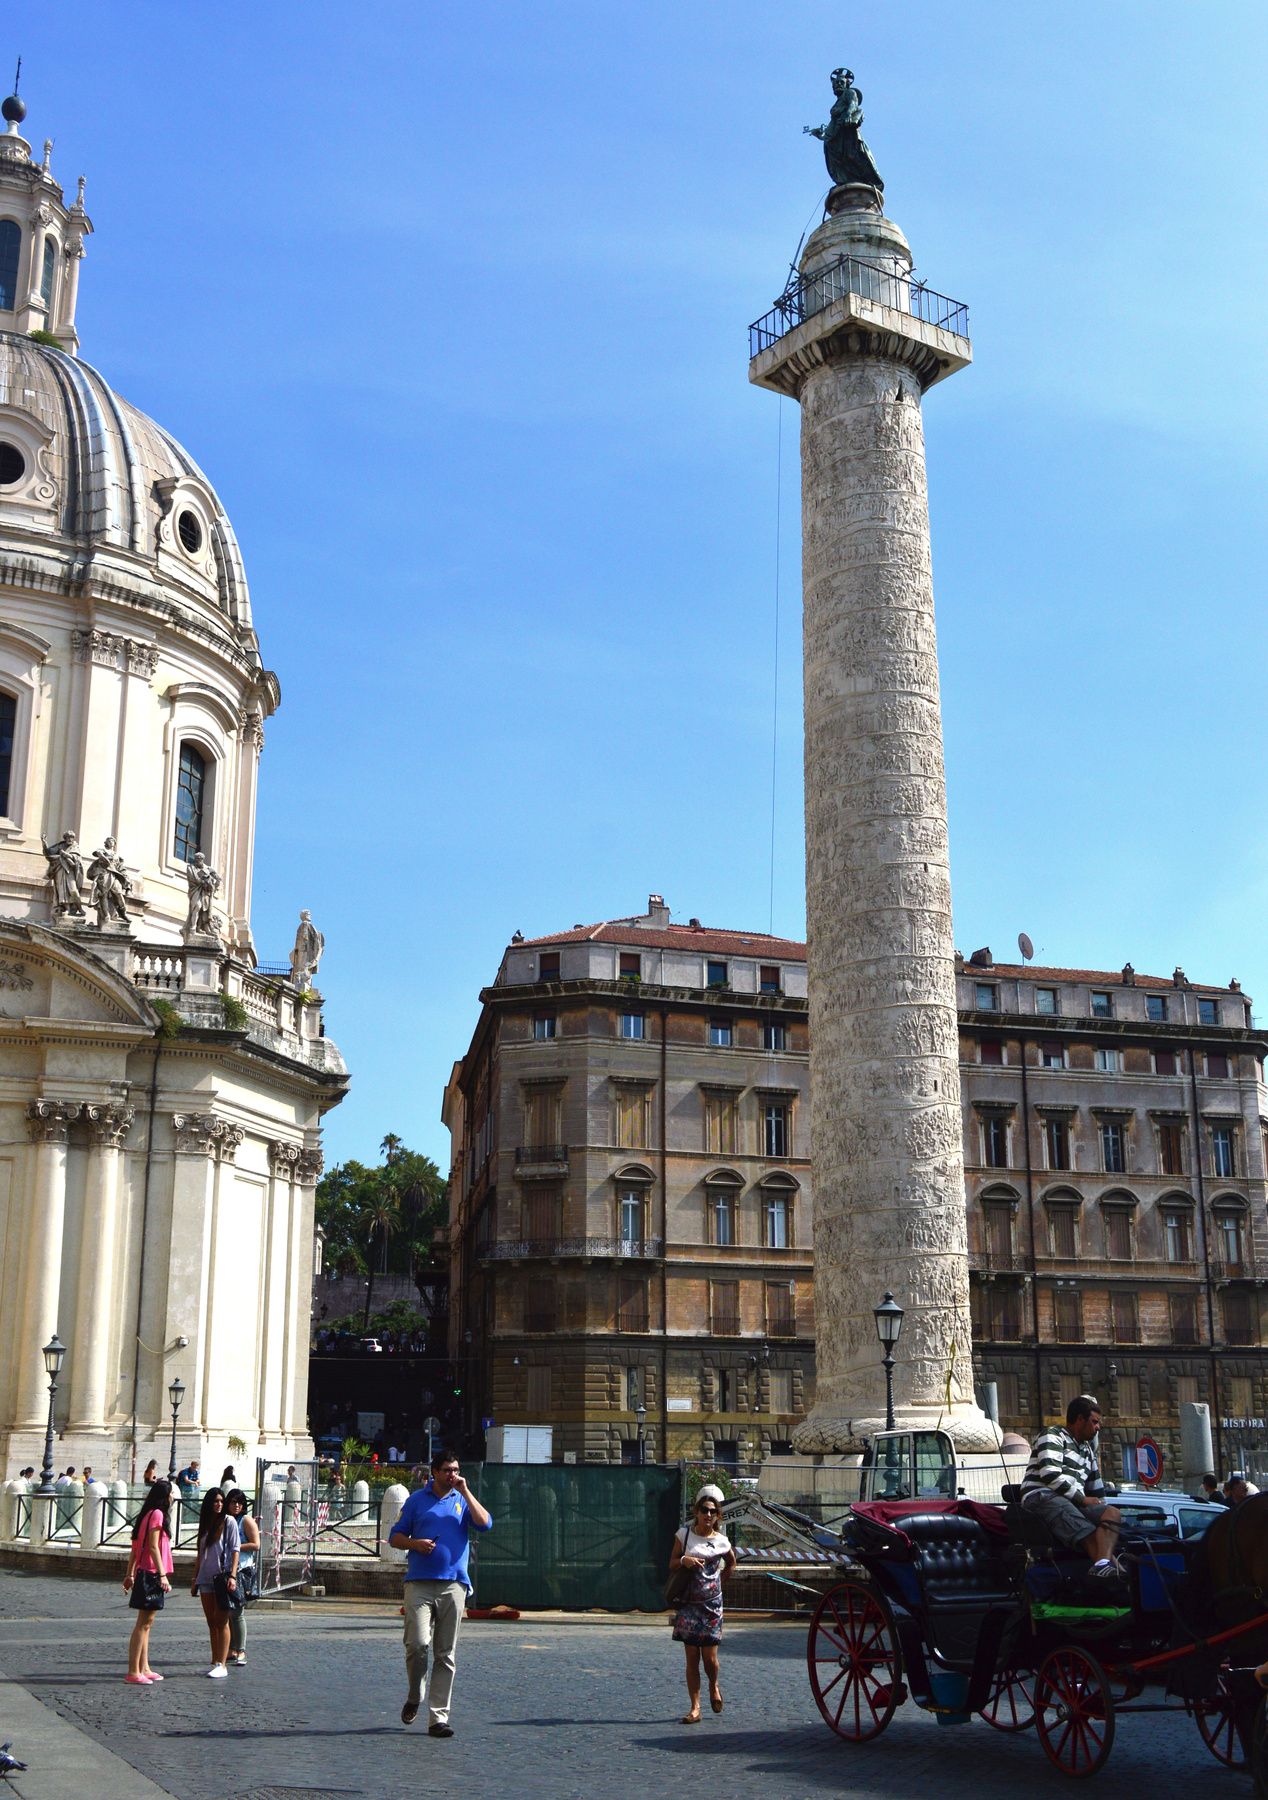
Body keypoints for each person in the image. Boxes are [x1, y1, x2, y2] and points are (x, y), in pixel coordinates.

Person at [389, 1448, 493, 1737]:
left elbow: (485, 1524)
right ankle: (415, 1695)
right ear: (434, 1472)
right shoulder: (416, 1501)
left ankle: (438, 1718)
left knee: (445, 1653)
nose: (452, 1475)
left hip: (453, 1584)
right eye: (447, 1470)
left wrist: (466, 1491)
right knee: (417, 1644)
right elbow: (395, 1537)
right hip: (419, 1582)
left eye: (456, 1470)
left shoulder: (462, 1499)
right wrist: (415, 1544)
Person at [1021, 1394, 1121, 1577]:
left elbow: (1097, 1490)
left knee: (1112, 1513)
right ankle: (1112, 1575)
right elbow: (1050, 1475)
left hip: (1071, 1502)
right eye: (1095, 1422)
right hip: (1043, 1495)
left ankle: (1105, 1566)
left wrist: (1102, 1511)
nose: (1098, 1427)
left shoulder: (1087, 1450)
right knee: (1086, 1529)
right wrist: (1083, 1500)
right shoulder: (1053, 1435)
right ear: (1080, 1419)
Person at [669, 1486, 736, 1723]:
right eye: (705, 1510)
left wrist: (719, 1584)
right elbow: (672, 1563)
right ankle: (695, 1707)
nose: (708, 1515)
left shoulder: (721, 1541)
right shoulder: (684, 1535)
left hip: (711, 1607)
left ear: (717, 1516)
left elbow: (731, 1563)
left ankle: (713, 1684)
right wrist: (684, 1560)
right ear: (696, 1512)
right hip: (688, 1605)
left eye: (713, 1512)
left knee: (710, 1658)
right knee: (692, 1658)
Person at [122, 1479, 174, 1683]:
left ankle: (144, 1667)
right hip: (151, 1573)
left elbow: (135, 1548)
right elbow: (152, 1547)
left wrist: (130, 1574)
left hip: (144, 1571)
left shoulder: (146, 1514)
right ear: (164, 1496)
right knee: (143, 1624)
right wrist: (162, 1575)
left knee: (146, 1623)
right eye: (171, 1494)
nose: (173, 1497)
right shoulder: (158, 1514)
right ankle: (133, 1671)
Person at [190, 1487, 240, 1678]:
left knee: (222, 1621)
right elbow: (200, 1553)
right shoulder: (205, 1523)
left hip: (222, 1577)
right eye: (215, 1501)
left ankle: (222, 1664)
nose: (219, 1504)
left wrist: (233, 1575)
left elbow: (235, 1549)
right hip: (205, 1577)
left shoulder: (229, 1521)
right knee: (211, 1622)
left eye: (221, 1501)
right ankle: (214, 1661)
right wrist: (194, 1579)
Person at [223, 1491, 259, 1666]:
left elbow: (256, 1544)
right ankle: (231, 1648)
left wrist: (235, 1547)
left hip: (241, 1570)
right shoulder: (225, 1520)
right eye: (233, 1502)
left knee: (237, 1612)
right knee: (228, 1612)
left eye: (240, 1502)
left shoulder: (246, 1520)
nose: (236, 1505)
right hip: (226, 1569)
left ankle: (241, 1650)